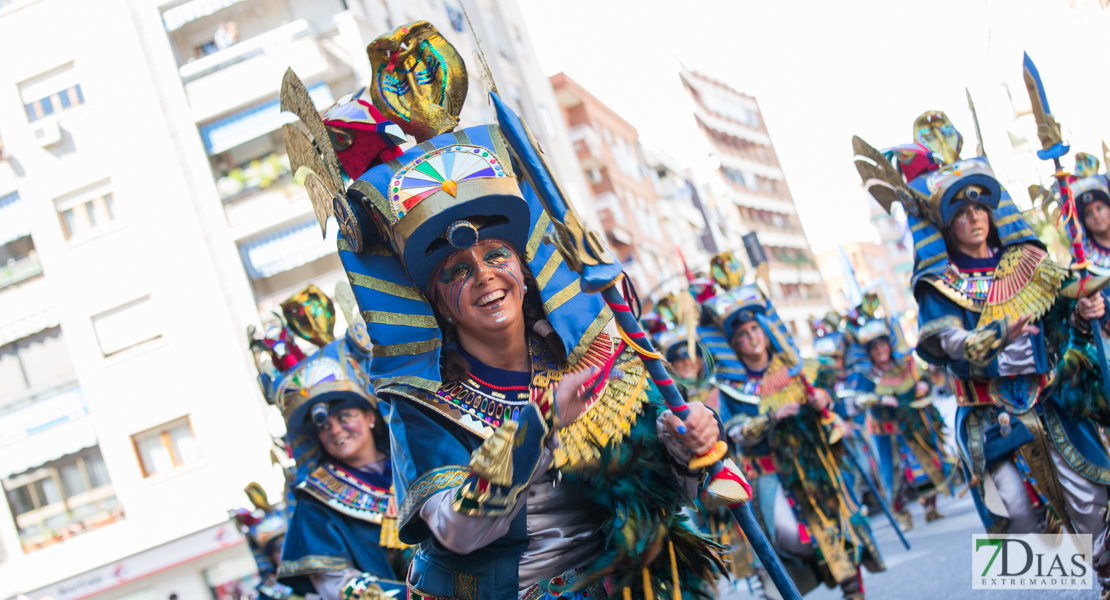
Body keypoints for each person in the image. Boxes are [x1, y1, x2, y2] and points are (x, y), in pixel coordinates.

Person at [307, 21, 736, 600]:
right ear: (438, 304)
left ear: (523, 265)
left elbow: (669, 493)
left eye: (496, 255)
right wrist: (538, 423)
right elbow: (459, 531)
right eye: (458, 271)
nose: (485, 275)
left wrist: (688, 447)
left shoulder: (596, 351)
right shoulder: (421, 405)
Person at [853, 112, 1110, 589]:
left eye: (979, 208)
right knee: (1018, 523)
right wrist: (994, 337)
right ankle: (1057, 588)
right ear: (944, 225)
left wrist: (1082, 311)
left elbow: (1061, 322)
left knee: (1094, 501)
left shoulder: (1030, 261)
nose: (973, 218)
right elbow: (946, 341)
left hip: (1050, 400)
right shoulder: (936, 282)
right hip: (991, 414)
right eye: (960, 213)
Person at [708, 285, 883, 600]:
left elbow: (834, 407)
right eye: (742, 335)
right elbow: (733, 430)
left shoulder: (797, 366)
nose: (752, 337)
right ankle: (813, 571)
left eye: (754, 329)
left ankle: (853, 591)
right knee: (789, 538)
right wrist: (770, 418)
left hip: (817, 464)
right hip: (770, 472)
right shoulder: (729, 387)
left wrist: (822, 399)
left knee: (842, 523)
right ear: (733, 346)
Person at [248, 285, 406, 600]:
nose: (336, 430)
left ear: (370, 415)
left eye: (344, 416)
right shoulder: (314, 501)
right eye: (324, 425)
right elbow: (336, 584)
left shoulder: (414, 463)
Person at [850, 321, 949, 529]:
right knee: (893, 474)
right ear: (869, 353)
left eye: (883, 345)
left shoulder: (905, 365)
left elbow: (925, 377)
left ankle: (930, 506)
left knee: (923, 465)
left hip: (912, 425)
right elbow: (858, 398)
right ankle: (902, 515)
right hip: (885, 430)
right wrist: (879, 399)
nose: (880, 351)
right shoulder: (867, 376)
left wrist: (924, 384)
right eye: (875, 348)